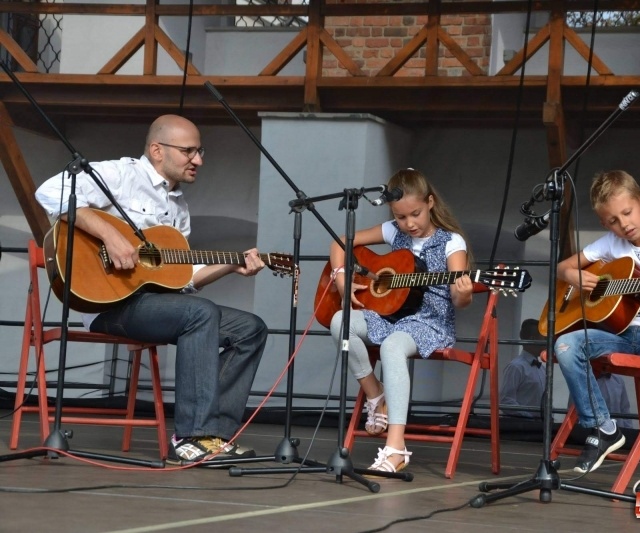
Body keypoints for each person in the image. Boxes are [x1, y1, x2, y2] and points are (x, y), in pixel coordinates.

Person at [35, 115, 269, 464]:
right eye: (189, 151)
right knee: (200, 313)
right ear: (157, 150)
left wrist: (229, 266)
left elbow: (177, 278)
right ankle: (192, 437)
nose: (199, 160)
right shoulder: (120, 175)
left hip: (154, 305)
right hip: (107, 305)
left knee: (250, 328)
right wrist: (111, 236)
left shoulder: (179, 209)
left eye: (200, 151)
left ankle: (215, 435)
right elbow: (49, 192)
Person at [554, 170, 640, 494]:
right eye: (613, 220)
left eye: (627, 213)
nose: (623, 224)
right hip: (618, 333)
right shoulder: (610, 244)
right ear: (606, 224)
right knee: (565, 345)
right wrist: (575, 276)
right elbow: (563, 268)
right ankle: (604, 428)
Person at [327, 168, 474, 473]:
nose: (409, 224)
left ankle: (396, 448)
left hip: (430, 321)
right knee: (341, 321)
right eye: (401, 217)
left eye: (415, 214)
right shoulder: (394, 231)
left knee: (392, 347)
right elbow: (341, 242)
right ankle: (375, 394)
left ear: (430, 203)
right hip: (393, 316)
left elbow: (459, 300)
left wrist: (464, 293)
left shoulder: (451, 242)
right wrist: (341, 278)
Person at [501, 319, 632, 428]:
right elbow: (506, 401)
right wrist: (531, 415)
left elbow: (625, 410)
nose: (547, 340)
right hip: (522, 426)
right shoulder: (516, 367)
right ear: (533, 338)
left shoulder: (542, 368)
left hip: (539, 425)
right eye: (543, 337)